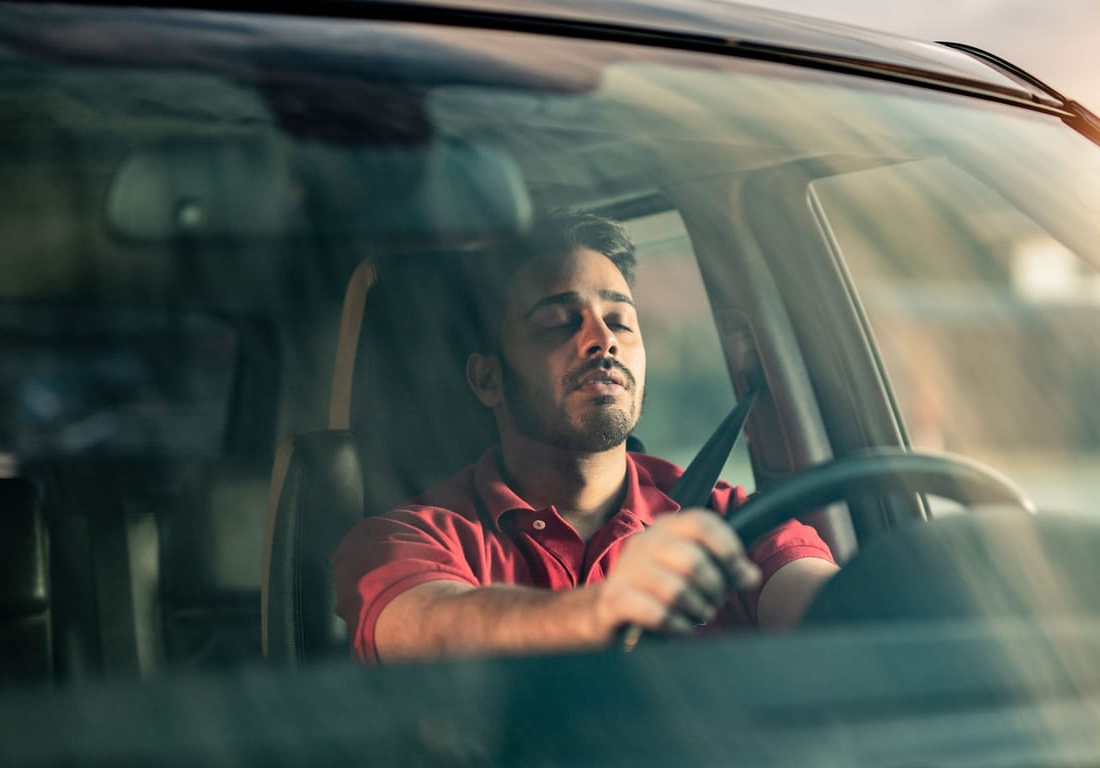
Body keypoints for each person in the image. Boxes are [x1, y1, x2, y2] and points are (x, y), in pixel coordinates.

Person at [333, 210, 838, 663]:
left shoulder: (731, 523)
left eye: (620, 320)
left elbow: (837, 606)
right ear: (488, 379)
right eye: (557, 323)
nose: (604, 339)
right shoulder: (406, 538)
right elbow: (429, 626)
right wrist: (603, 610)